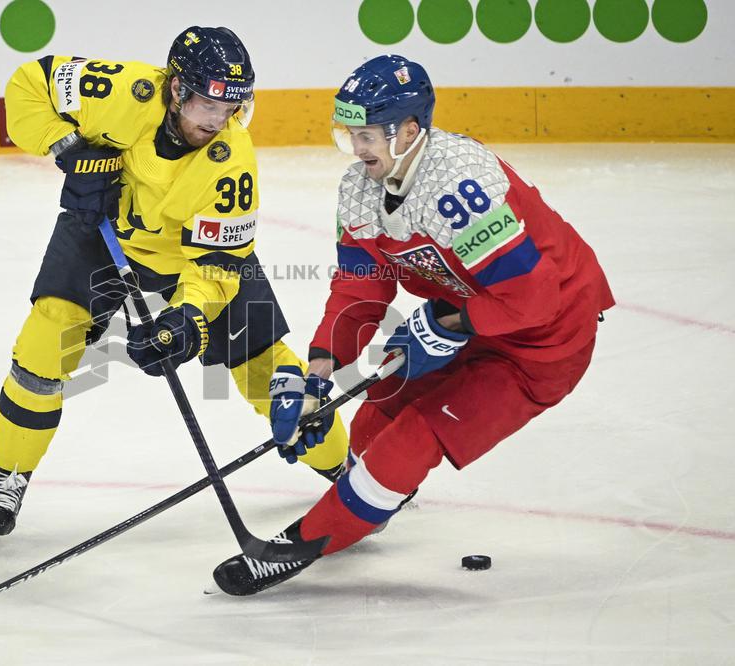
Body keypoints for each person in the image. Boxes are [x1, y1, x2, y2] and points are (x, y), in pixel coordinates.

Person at [212, 54, 615, 595]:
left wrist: (448, 321)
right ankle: (363, 506)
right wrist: (315, 377)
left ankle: (304, 542)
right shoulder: (360, 189)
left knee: (413, 437)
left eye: (368, 135)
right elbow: (359, 291)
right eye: (348, 134)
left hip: (543, 340)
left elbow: (534, 298)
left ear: (408, 129)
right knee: (374, 420)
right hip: (474, 318)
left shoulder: (458, 186)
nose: (357, 149)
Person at [0, 27, 350, 544]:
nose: (218, 121)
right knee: (44, 341)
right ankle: (10, 473)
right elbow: (28, 83)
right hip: (100, 235)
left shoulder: (232, 160)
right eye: (207, 105)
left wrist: (188, 319)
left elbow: (218, 264)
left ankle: (346, 473)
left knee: (266, 368)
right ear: (175, 88)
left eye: (231, 107)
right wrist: (67, 147)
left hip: (192, 259)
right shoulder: (124, 92)